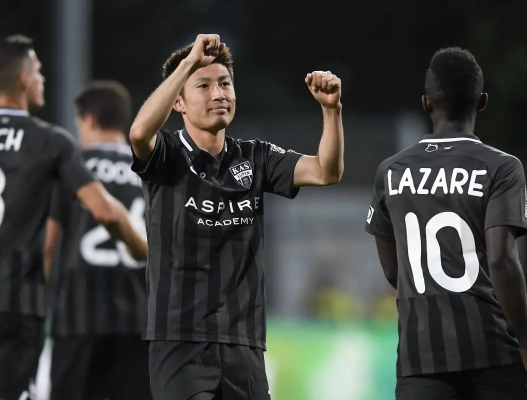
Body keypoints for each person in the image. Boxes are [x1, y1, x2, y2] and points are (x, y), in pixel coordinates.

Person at [0, 35, 147, 400]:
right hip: (15, 301)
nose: (43, 79)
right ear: (24, 80)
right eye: (39, 71)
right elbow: (106, 211)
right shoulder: (51, 142)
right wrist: (141, 248)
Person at [129, 33, 344, 400]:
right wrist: (188, 63)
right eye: (203, 85)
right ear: (178, 101)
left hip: (243, 343)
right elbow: (138, 133)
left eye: (225, 83)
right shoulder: (167, 153)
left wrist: (331, 110)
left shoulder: (255, 156)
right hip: (179, 342)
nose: (219, 94)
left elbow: (326, 171)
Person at [365, 46, 527, 400]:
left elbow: (394, 271)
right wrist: (525, 340)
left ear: (427, 103)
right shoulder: (501, 167)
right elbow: (501, 260)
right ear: (481, 102)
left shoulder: (391, 171)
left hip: (420, 358)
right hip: (492, 353)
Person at [44, 80, 152, 400]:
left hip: (78, 317)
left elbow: (48, 245)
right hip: (139, 319)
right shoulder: (150, 170)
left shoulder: (70, 167)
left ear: (88, 119)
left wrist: (35, 306)